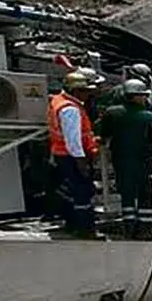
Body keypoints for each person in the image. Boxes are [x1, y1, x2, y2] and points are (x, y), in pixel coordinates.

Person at [95, 79, 152, 240]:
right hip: (144, 163)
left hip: (121, 162)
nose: (145, 99)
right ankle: (144, 230)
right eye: (143, 96)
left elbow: (104, 136)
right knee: (145, 195)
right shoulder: (148, 117)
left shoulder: (112, 113)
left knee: (127, 195)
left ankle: (129, 229)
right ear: (136, 96)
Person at [47, 72, 103, 239]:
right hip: (72, 156)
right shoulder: (70, 109)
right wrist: (81, 161)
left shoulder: (58, 101)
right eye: (84, 90)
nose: (88, 94)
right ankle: (86, 230)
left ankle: (72, 224)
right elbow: (73, 139)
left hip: (61, 154)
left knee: (70, 192)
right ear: (75, 90)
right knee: (82, 193)